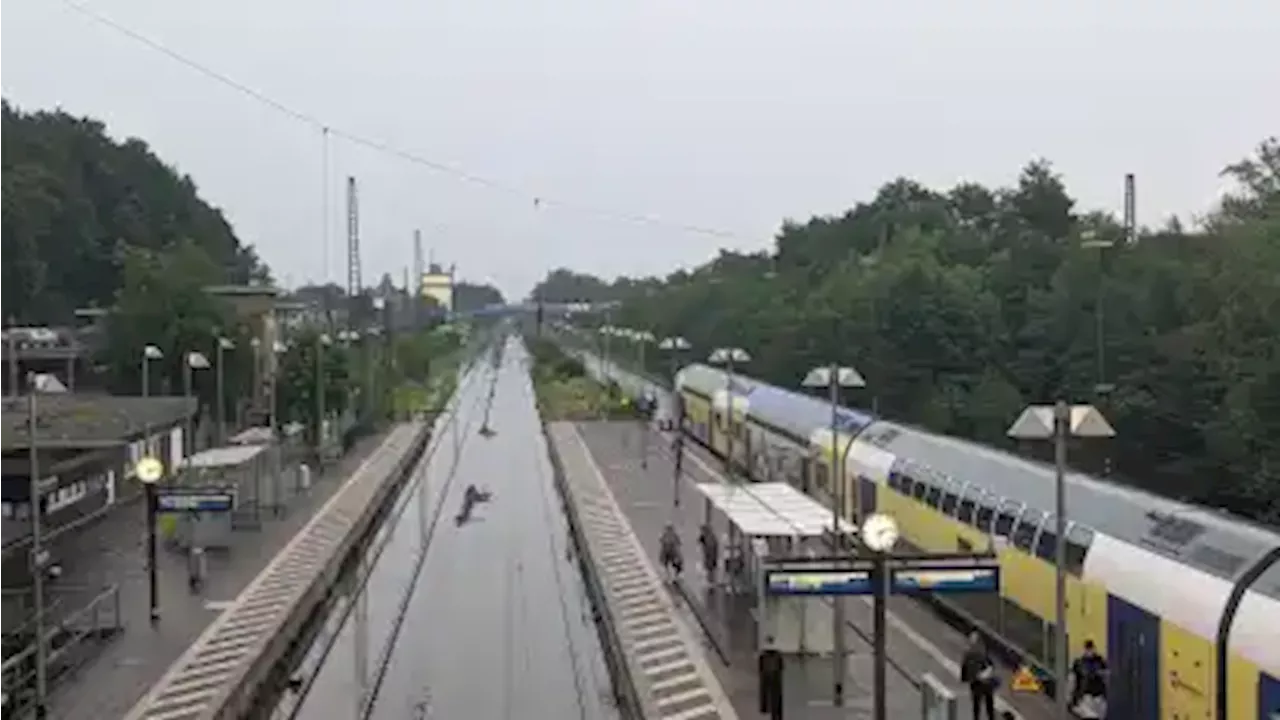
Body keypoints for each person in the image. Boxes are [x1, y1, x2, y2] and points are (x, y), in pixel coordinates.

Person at [960, 632, 998, 720]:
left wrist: (986, 673)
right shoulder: (971, 652)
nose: (971, 641)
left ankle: (988, 717)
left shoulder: (979, 652)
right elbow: (965, 665)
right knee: (978, 703)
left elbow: (990, 664)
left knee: (986, 702)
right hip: (977, 682)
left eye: (973, 639)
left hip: (983, 682)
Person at [1070, 640, 1108, 718]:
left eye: (1091, 649)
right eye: (1088, 649)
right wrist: (1073, 699)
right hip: (1086, 696)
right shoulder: (1079, 663)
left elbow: (1106, 676)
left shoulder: (1100, 661)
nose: (1090, 651)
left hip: (1099, 696)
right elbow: (1074, 681)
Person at [758, 636, 784, 720]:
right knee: (776, 695)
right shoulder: (777, 655)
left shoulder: (763, 655)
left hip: (767, 673)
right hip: (775, 674)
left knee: (765, 691)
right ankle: (777, 714)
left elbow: (761, 668)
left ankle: (765, 708)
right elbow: (781, 666)